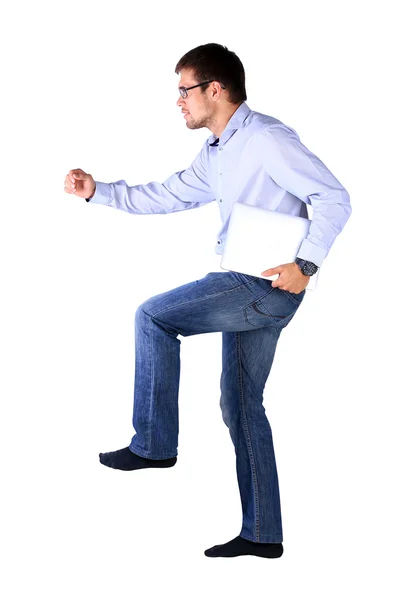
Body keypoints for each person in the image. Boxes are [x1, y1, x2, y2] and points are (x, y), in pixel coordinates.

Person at [64, 43, 351, 559]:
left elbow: (334, 197)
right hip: (251, 287)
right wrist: (97, 191)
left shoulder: (265, 138)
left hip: (260, 286)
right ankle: (262, 534)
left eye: (184, 90)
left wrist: (306, 265)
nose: (179, 101)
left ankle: (153, 445)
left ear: (214, 90)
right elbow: (169, 194)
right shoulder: (218, 150)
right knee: (242, 407)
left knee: (153, 316)